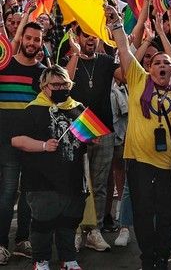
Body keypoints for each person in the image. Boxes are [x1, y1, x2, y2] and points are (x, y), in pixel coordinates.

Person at [104, 4, 171, 270]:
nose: (162, 65)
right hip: (138, 163)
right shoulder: (138, 80)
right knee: (142, 213)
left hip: (168, 165)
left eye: (167, 63)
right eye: (157, 62)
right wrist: (116, 23)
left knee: (166, 216)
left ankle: (162, 258)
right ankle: (147, 258)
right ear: (149, 68)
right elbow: (125, 50)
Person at [11, 65, 87, 270]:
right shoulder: (32, 110)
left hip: (72, 179)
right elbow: (17, 140)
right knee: (42, 225)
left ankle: (68, 259)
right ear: (44, 87)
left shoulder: (78, 108)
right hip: (41, 181)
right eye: (56, 84)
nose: (61, 87)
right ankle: (41, 260)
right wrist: (43, 146)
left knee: (69, 223)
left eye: (65, 84)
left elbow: (84, 137)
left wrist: (91, 139)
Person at [64, 26, 122, 252]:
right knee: (77, 184)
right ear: (77, 37)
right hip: (78, 129)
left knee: (99, 184)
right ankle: (77, 230)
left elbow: (126, 77)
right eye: (85, 34)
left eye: (93, 34)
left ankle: (94, 231)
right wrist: (76, 54)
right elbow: (64, 86)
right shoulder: (69, 59)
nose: (90, 38)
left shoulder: (107, 61)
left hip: (104, 129)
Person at [0, 20, 46, 265]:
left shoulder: (42, 72)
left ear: (41, 42)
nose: (32, 43)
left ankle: (22, 240)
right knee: (7, 194)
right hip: (5, 142)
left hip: (32, 144)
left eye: (37, 39)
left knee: (29, 194)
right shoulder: (3, 65)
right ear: (21, 38)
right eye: (28, 38)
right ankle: (0, 244)